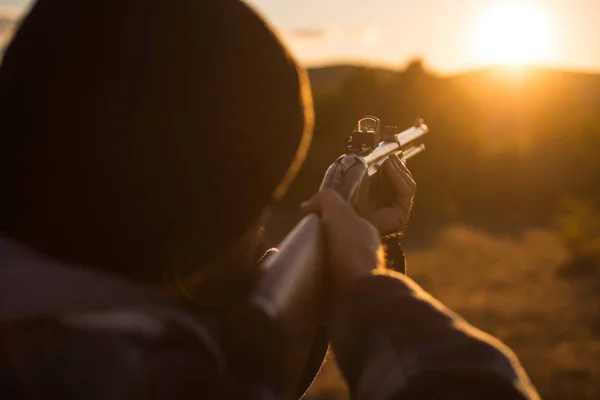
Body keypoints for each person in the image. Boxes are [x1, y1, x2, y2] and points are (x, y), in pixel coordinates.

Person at [0, 0, 540, 399]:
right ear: (206, 224)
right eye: (257, 208)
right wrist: (367, 286)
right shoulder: (146, 375)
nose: (262, 234)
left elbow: (263, 358)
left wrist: (345, 258)